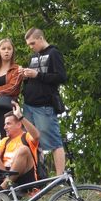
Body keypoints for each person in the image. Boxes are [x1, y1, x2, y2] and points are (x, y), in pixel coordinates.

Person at [22, 28, 67, 176]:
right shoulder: (34, 56)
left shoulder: (54, 53)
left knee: (54, 142)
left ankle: (60, 177)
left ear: (41, 38)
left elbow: (61, 77)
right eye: (29, 44)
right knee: (32, 143)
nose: (31, 47)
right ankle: (37, 176)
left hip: (45, 105)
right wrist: (25, 76)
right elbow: (35, 78)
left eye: (32, 43)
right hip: (28, 105)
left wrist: (37, 75)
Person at [0, 101, 40, 190]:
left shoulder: (26, 136)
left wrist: (20, 116)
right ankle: (7, 185)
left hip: (24, 178)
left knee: (23, 149)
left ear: (19, 124)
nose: (4, 127)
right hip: (5, 175)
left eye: (8, 124)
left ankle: (4, 187)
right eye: (4, 124)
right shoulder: (5, 141)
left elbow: (36, 136)